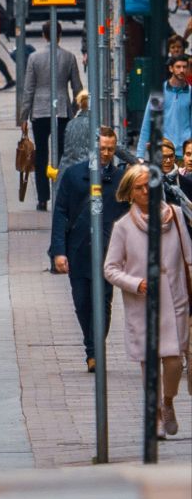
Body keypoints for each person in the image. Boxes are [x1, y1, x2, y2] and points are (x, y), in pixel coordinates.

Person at [103, 165, 191, 438]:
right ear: (130, 193)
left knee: (174, 362)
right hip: (143, 305)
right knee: (149, 364)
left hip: (175, 300)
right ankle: (155, 417)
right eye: (139, 188)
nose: (145, 192)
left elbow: (189, 257)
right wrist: (136, 284)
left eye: (149, 186)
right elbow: (110, 269)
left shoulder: (175, 216)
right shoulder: (123, 228)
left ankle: (167, 402)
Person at [52, 127, 127, 370]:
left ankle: (95, 351)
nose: (106, 153)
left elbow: (128, 216)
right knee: (83, 302)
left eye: (110, 149)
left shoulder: (120, 180)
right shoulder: (74, 175)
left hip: (108, 253)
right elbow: (60, 213)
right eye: (102, 149)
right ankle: (91, 344)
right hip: (79, 251)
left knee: (103, 302)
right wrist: (59, 251)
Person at [17, 23, 84, 210]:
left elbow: (28, 89)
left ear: (43, 35)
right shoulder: (69, 57)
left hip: (39, 112)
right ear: (60, 35)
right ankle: (63, 193)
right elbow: (77, 88)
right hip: (62, 110)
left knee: (41, 155)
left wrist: (24, 117)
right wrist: (73, 109)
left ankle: (42, 198)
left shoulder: (34, 58)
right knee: (63, 154)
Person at [139, 54, 192, 148]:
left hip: (184, 150)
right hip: (164, 149)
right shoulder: (159, 92)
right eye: (178, 67)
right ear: (171, 68)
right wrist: (140, 152)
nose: (182, 70)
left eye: (184, 67)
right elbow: (147, 122)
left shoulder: (190, 92)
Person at [58, 90, 95, 170]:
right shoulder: (94, 124)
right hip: (84, 170)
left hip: (65, 170)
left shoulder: (70, 124)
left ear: (80, 105)